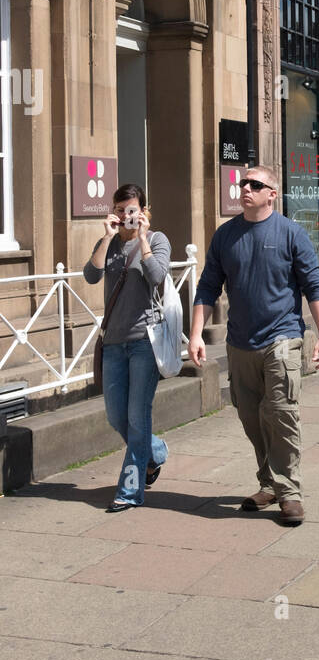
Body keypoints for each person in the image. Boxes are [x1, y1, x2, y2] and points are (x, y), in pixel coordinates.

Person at [188, 166, 319, 527]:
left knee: (281, 412)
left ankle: (290, 492)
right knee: (251, 417)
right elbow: (207, 287)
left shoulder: (291, 234)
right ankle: (269, 483)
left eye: (255, 184)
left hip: (282, 338)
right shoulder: (226, 236)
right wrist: (195, 335)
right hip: (240, 343)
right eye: (243, 183)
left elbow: (314, 286)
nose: (245, 189)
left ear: (272, 194)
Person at [83, 184, 171, 511]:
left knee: (136, 418)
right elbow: (90, 275)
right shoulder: (109, 243)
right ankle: (155, 452)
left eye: (131, 210)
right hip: (113, 344)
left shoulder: (157, 240)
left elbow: (157, 274)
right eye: (120, 209)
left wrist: (144, 239)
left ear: (144, 212)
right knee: (115, 415)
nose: (125, 216)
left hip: (144, 343)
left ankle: (130, 491)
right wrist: (106, 237)